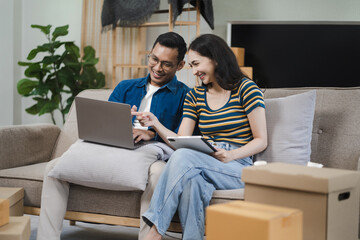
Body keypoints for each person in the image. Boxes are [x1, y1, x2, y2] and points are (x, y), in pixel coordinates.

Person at [36, 32, 189, 240]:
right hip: (115, 148)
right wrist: (123, 126)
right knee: (53, 168)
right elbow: (103, 124)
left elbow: (183, 142)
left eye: (166, 64)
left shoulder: (185, 96)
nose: (157, 67)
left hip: (154, 153)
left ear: (180, 65)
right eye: (154, 59)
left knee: (158, 174)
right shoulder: (125, 87)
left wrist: (151, 134)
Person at [133, 34, 268, 240]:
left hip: (237, 165)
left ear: (215, 59)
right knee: (191, 183)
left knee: (184, 158)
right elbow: (180, 140)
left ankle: (155, 230)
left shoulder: (246, 89)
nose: (194, 71)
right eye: (192, 65)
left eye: (196, 64)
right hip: (204, 160)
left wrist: (231, 155)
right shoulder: (195, 96)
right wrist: (155, 123)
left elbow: (261, 140)